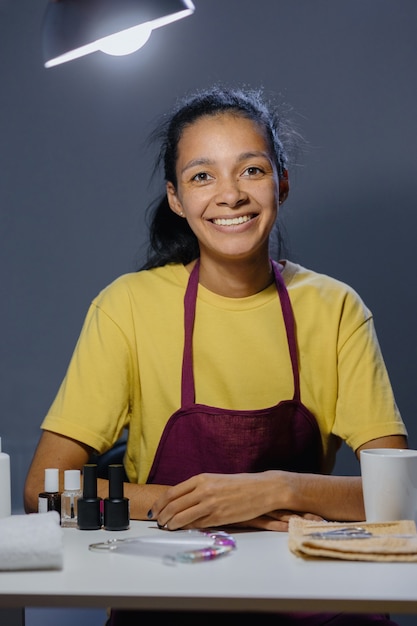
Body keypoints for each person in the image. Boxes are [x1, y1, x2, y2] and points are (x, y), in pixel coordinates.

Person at [24, 85, 407, 625]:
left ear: (283, 182)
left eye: (251, 170)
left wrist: (277, 488)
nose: (230, 195)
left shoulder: (335, 308)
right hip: (167, 589)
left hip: (308, 593)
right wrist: (188, 505)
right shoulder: (126, 307)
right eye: (203, 176)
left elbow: (397, 497)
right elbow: (44, 490)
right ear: (177, 198)